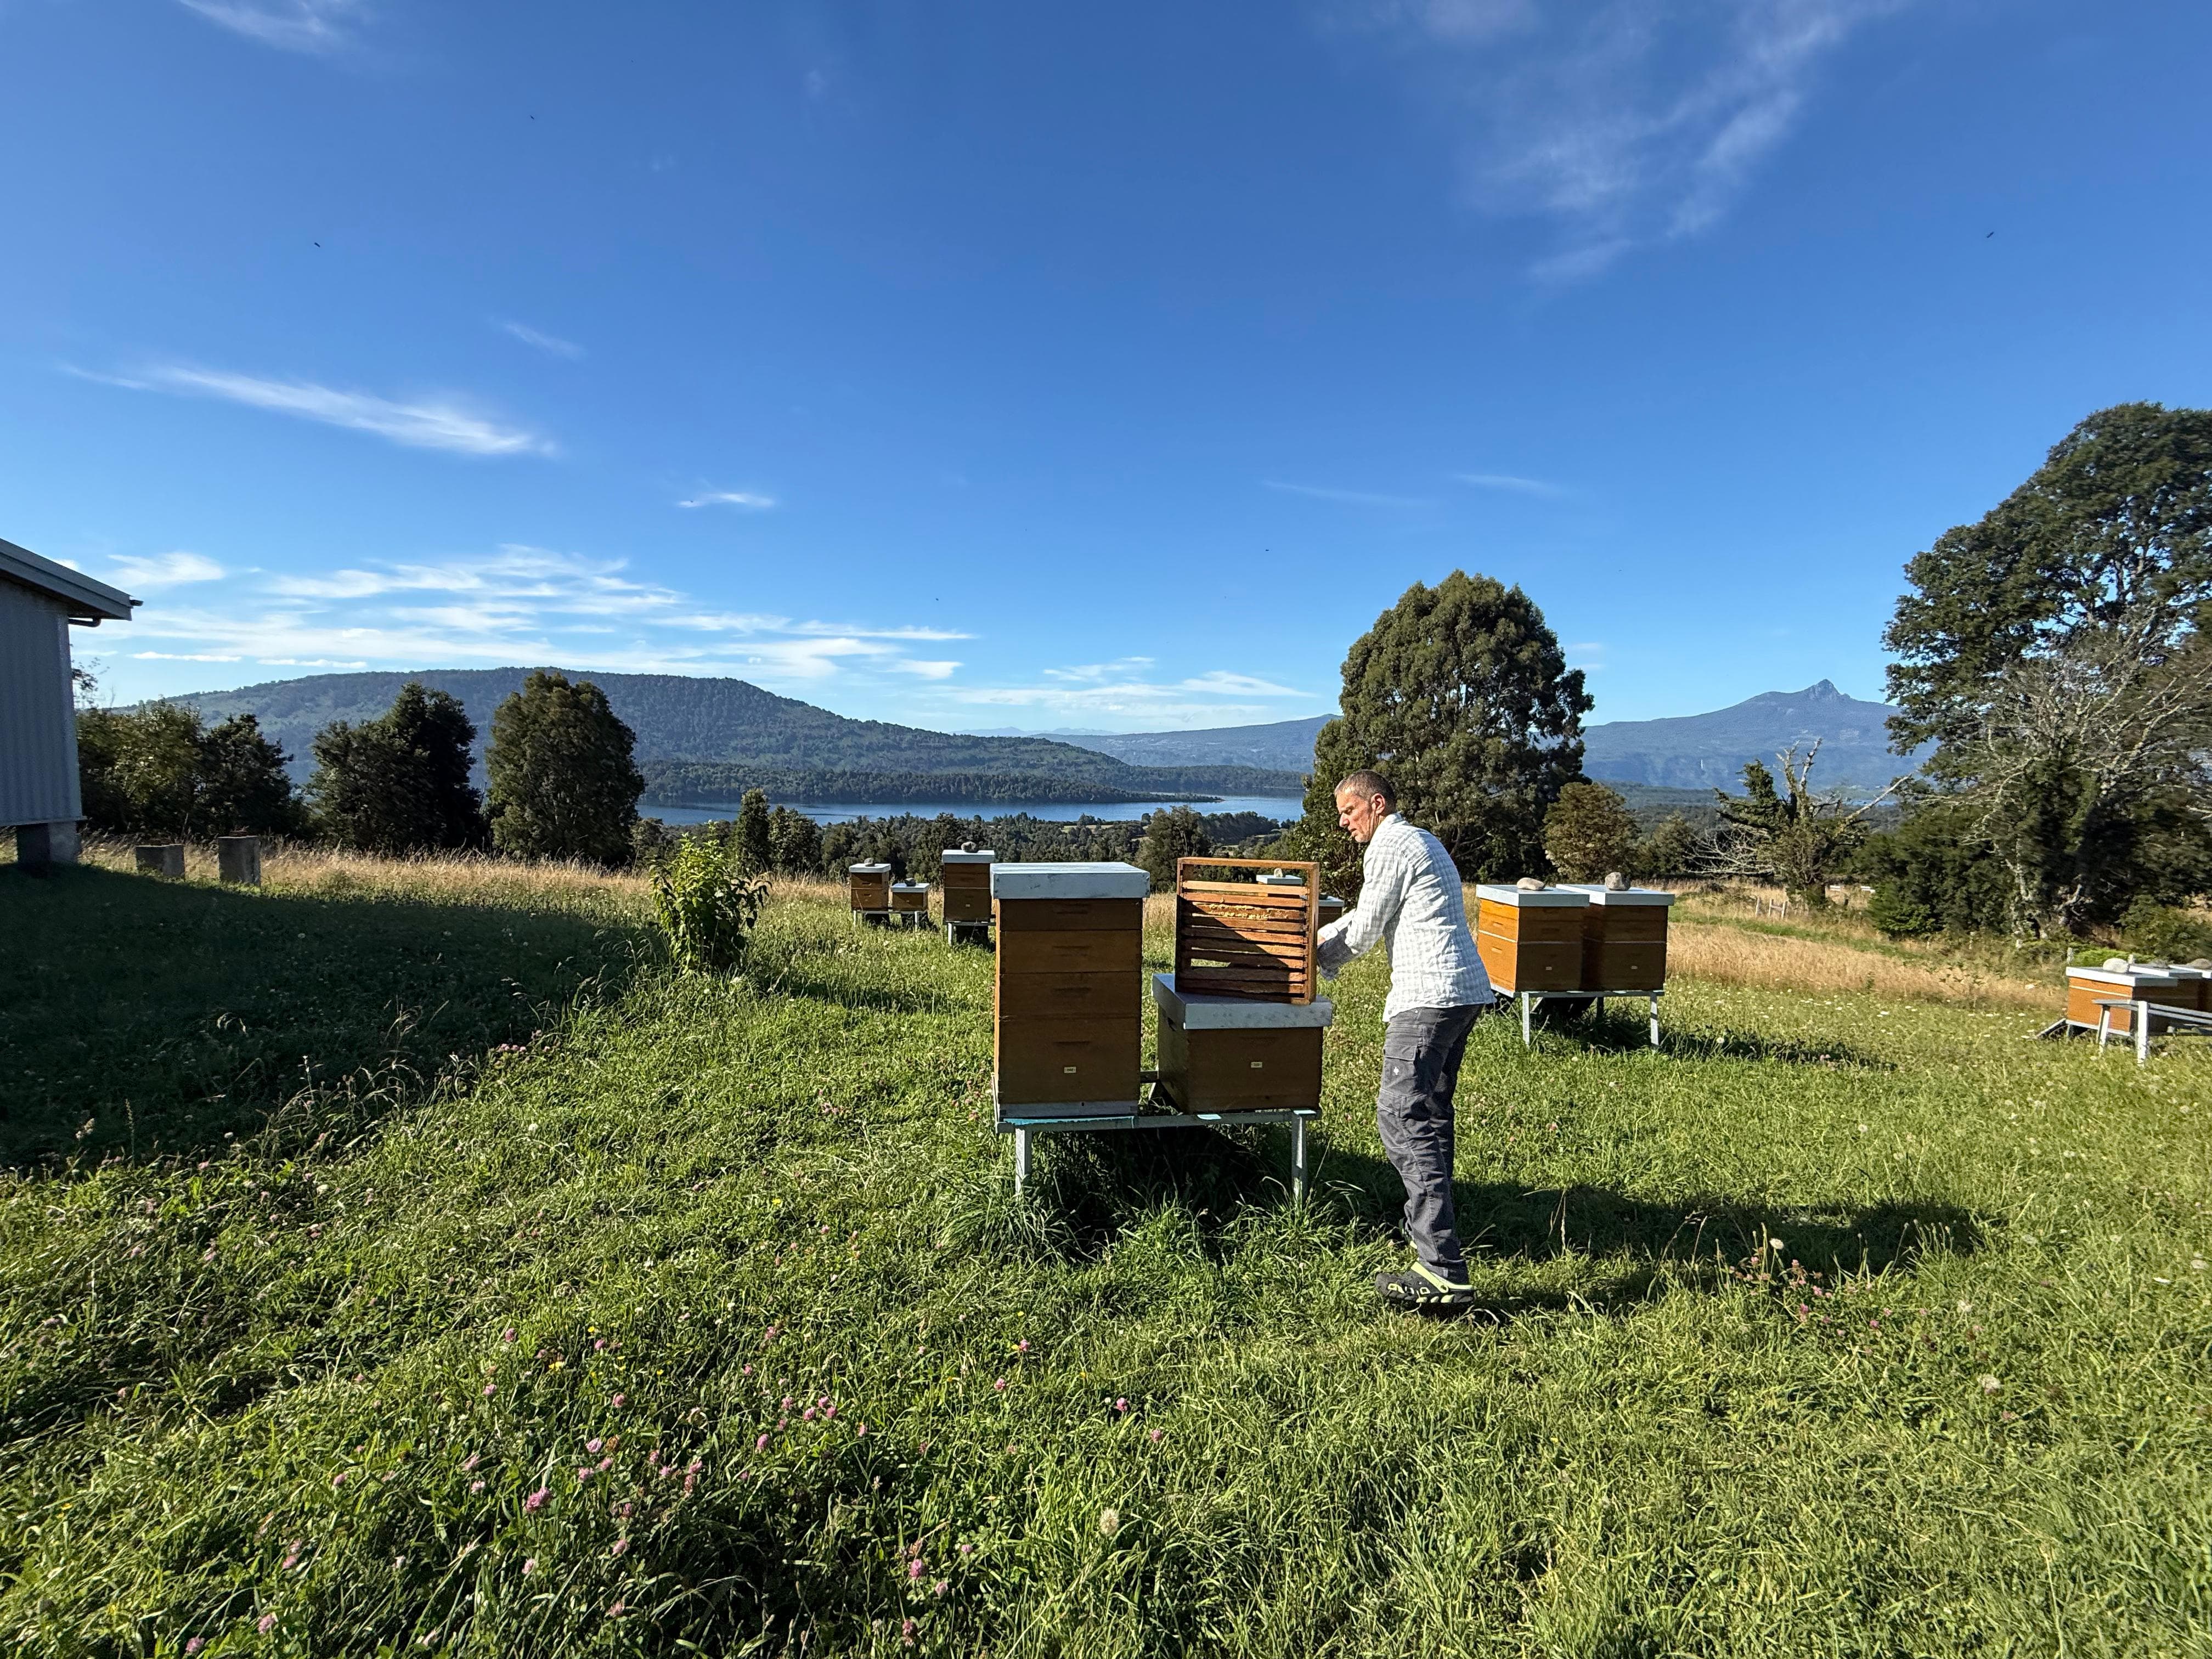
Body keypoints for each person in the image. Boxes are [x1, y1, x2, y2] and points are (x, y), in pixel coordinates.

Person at [1316, 770, 1494, 1308]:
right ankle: (1440, 1247)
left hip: (1429, 997)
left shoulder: (1391, 845)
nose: (1345, 823)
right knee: (1431, 1117)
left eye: (1349, 811)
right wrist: (1320, 934)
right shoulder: (1421, 839)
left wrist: (1310, 956)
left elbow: (1367, 927)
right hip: (1461, 994)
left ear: (1377, 803)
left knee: (1400, 1115)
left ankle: (1441, 1269)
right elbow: (1373, 916)